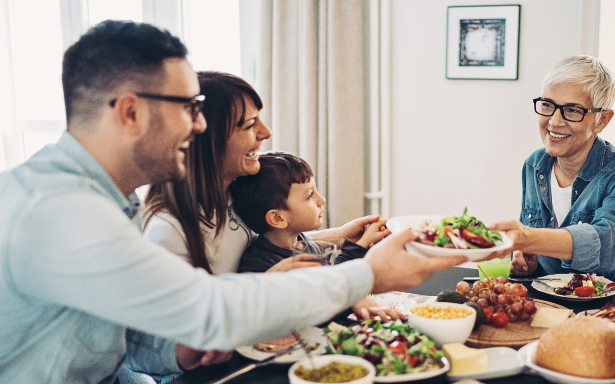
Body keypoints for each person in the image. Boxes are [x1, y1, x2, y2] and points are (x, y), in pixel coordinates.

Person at [0, 20, 467, 383]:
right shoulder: (59, 212)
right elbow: (209, 307)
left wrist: (177, 351)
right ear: (131, 111)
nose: (200, 125)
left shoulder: (102, 202)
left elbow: (128, 333)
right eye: (188, 106)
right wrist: (368, 273)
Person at [126, 72, 402, 383]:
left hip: (251, 345)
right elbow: (161, 344)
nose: (266, 132)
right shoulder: (167, 231)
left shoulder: (232, 195)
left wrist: (339, 235)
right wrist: (267, 286)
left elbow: (266, 243)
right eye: (249, 125)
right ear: (208, 138)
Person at [491, 55, 615, 287]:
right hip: (553, 304)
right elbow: (538, 257)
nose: (554, 121)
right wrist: (525, 261)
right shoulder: (534, 165)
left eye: (572, 110)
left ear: (602, 120)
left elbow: (608, 242)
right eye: (547, 105)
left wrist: (528, 238)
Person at [231, 151, 393, 274]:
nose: (321, 199)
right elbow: (329, 283)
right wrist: (361, 245)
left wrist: (354, 242)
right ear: (278, 218)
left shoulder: (303, 243)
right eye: (309, 195)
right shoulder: (261, 266)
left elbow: (329, 273)